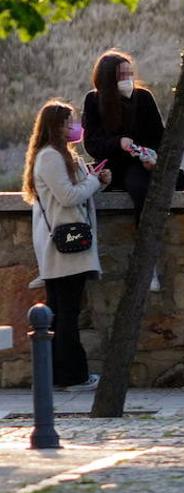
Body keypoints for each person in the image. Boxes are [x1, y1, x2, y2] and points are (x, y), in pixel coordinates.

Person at [23, 100, 111, 391]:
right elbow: (69, 196)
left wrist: (97, 180)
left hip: (64, 246)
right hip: (65, 246)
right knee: (66, 313)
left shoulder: (59, 155)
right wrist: (95, 182)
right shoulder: (50, 157)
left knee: (61, 312)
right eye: (68, 122)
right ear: (55, 126)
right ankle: (73, 376)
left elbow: (78, 190)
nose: (73, 127)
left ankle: (58, 375)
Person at [82, 49, 165, 292]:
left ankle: (148, 264)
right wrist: (117, 143)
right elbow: (92, 143)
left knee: (142, 190)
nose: (128, 79)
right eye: (122, 75)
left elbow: (159, 138)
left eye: (130, 73)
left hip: (138, 165)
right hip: (110, 164)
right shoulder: (93, 101)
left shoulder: (144, 98)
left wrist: (151, 156)